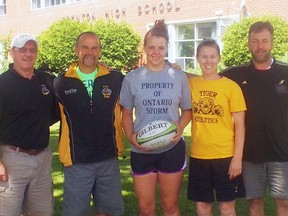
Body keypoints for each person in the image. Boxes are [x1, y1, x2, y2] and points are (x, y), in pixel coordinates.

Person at [119, 20, 192, 216]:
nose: (156, 52)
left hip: (171, 149)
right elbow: (125, 112)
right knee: (146, 209)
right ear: (144, 48)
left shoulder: (178, 76)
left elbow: (187, 110)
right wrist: (130, 136)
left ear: (167, 47)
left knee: (170, 207)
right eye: (151, 47)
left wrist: (180, 127)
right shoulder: (132, 78)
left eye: (161, 47)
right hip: (142, 150)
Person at [53, 31, 124, 216]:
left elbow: (142, 84)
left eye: (94, 47)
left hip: (108, 157)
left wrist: (169, 67)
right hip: (77, 161)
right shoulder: (60, 82)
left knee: (108, 212)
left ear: (99, 51)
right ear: (76, 50)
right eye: (85, 47)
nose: (89, 52)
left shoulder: (116, 79)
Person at [221, 21, 288, 216]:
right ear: (249, 43)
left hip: (282, 151)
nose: (260, 46)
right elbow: (208, 79)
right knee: (255, 201)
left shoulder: (285, 72)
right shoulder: (237, 74)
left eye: (265, 41)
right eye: (255, 41)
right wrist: (175, 72)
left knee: (284, 203)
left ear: (272, 43)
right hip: (250, 153)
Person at [0, 34, 58, 216]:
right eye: (22, 49)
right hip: (11, 160)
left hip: (42, 159)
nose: (28, 54)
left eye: (32, 50)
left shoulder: (47, 80)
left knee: (43, 213)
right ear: (12, 53)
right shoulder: (2, 84)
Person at [187, 38, 246, 216]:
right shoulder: (191, 85)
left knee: (227, 207)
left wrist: (237, 159)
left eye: (212, 56)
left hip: (225, 156)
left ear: (219, 58)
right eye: (204, 56)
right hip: (199, 156)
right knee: (202, 207)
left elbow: (240, 126)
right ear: (197, 58)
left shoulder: (231, 87)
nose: (208, 61)